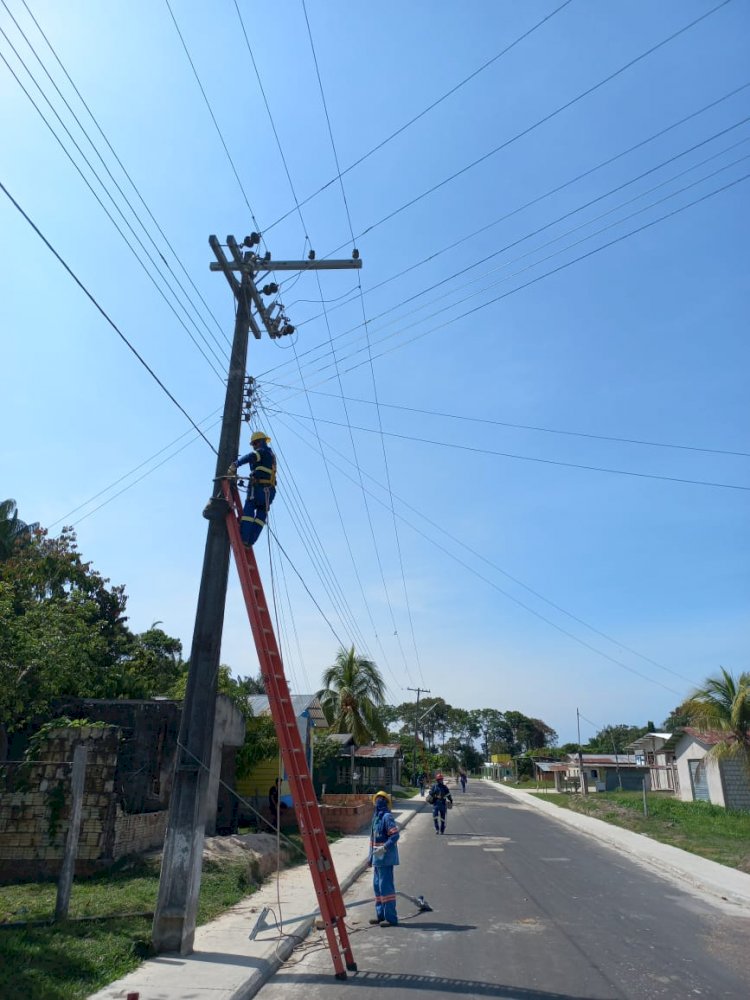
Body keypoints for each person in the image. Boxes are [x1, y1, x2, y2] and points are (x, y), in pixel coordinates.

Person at [228, 431, 277, 547]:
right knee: (261, 516)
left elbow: (251, 456)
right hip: (270, 492)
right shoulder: (271, 455)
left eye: (254, 444)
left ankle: (244, 537)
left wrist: (235, 464)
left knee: (249, 509)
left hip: (258, 488)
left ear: (259, 442)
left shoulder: (261, 452)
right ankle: (250, 541)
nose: (254, 447)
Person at [367, 790, 400, 927]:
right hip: (377, 859)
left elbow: (395, 836)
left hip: (385, 859)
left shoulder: (387, 817)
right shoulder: (375, 819)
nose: (379, 801)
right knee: (377, 887)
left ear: (386, 802)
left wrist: (385, 847)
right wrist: (370, 857)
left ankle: (391, 918)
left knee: (386, 888)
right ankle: (380, 916)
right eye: (377, 799)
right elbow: (372, 840)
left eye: (382, 799)